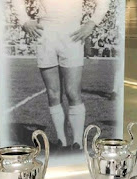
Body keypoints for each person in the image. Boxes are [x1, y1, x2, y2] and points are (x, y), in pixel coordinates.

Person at [12, 0, 110, 151]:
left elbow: (103, 2)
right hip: (45, 32)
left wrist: (91, 23)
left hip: (72, 33)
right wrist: (24, 20)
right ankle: (61, 141)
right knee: (53, 93)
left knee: (72, 92)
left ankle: (77, 142)